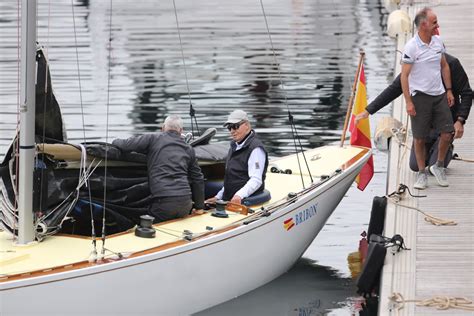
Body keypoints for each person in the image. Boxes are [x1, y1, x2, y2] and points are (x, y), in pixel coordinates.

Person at [355, 52, 472, 172]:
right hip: (425, 122)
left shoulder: (452, 64)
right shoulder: (414, 65)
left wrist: (460, 120)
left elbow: (467, 93)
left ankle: (447, 148)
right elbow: (393, 89)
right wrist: (368, 111)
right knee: (415, 166)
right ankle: (430, 146)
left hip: (446, 121)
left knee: (433, 167)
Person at [399, 7, 455, 190]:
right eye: (434, 22)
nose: (437, 25)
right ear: (423, 25)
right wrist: (408, 101)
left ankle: (438, 166)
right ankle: (422, 174)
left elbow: (444, 66)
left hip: (439, 94)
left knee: (448, 133)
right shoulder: (411, 47)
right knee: (419, 138)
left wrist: (448, 90)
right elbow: (404, 77)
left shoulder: (438, 42)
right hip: (420, 97)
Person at [112, 115, 204, 222]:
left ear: (163, 128)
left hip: (164, 204)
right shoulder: (188, 149)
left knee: (142, 226)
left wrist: (115, 141)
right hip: (185, 203)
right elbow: (198, 178)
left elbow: (125, 145)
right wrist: (199, 207)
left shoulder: (153, 139)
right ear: (181, 131)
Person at [205, 110, 268, 205]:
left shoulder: (255, 149)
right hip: (229, 200)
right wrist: (218, 197)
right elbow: (231, 179)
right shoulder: (234, 146)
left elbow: (256, 180)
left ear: (246, 125)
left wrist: (239, 195)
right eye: (229, 128)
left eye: (235, 126)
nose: (232, 131)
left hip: (244, 202)